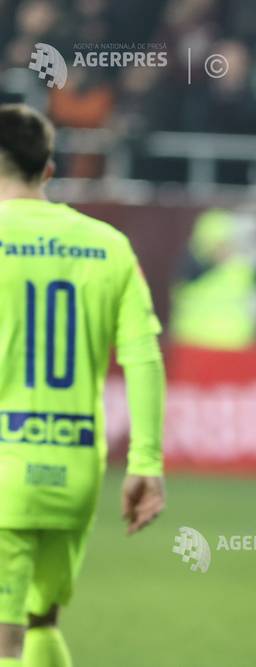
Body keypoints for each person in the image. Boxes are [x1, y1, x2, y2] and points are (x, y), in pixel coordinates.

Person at [0, 104, 166, 667]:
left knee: (4, 639)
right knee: (41, 619)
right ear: (48, 170)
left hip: (3, 461)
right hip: (75, 462)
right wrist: (145, 462)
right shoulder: (107, 244)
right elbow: (143, 356)